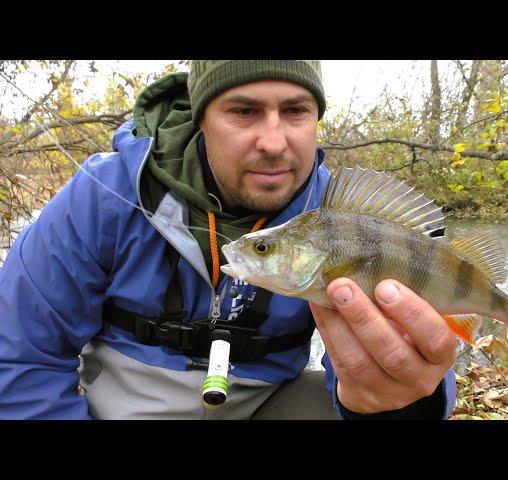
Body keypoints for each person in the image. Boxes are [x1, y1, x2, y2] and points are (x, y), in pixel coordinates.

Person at [0, 60, 457, 419]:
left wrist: (399, 400)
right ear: (202, 118)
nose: (274, 142)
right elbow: (19, 356)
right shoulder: (103, 195)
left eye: (296, 110)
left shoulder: (346, 220)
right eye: (244, 111)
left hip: (268, 402)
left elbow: (399, 363)